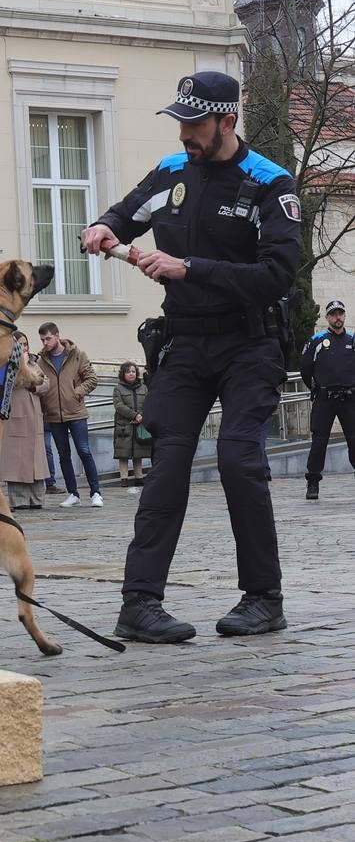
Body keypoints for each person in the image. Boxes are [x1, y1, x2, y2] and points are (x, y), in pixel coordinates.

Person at [81, 70, 300, 642]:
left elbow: (276, 275)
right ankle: (140, 604)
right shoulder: (173, 171)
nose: (184, 133)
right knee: (167, 466)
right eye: (180, 121)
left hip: (249, 343)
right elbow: (126, 211)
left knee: (238, 461)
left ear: (227, 121)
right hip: (184, 341)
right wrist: (103, 228)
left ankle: (263, 597)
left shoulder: (270, 184)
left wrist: (189, 268)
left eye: (195, 123)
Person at [36, 322, 102, 508]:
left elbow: (92, 379)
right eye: (42, 339)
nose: (45, 342)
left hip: (76, 412)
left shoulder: (77, 355)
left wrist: (76, 393)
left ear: (57, 336)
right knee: (63, 455)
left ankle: (96, 492)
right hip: (54, 415)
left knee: (84, 451)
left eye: (48, 338)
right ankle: (73, 493)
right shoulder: (41, 361)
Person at [301, 299, 355, 500]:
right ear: (327, 318)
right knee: (319, 442)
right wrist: (316, 388)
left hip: (349, 399)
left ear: (344, 316)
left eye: (340, 313)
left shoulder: (352, 339)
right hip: (325, 399)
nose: (337, 317)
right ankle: (313, 482)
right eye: (333, 314)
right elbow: (306, 369)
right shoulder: (317, 340)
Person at [0, 333, 50, 510]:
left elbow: (45, 383)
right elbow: (16, 381)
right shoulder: (7, 364)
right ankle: (19, 500)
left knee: (36, 460)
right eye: (21, 345)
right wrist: (28, 374)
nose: (25, 348)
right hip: (17, 417)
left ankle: (37, 498)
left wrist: (35, 385)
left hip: (34, 417)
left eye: (26, 344)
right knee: (17, 461)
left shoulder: (34, 363)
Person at [113, 361, 151, 491]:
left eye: (133, 371)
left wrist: (141, 416)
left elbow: (148, 402)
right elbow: (119, 406)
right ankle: (123, 479)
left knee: (138, 453)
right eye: (128, 371)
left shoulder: (144, 388)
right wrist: (134, 415)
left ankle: (139, 477)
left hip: (139, 424)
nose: (131, 374)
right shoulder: (118, 388)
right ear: (123, 374)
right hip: (124, 426)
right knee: (123, 454)